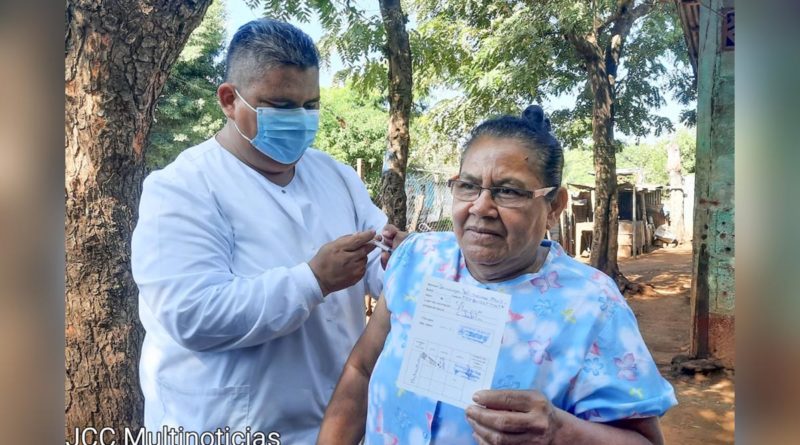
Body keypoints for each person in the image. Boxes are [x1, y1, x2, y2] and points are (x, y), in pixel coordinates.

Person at [318, 105, 677, 445]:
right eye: (468, 186)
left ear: (554, 206)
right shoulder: (418, 260)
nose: (481, 207)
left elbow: (644, 439)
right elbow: (361, 370)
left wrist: (560, 432)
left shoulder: (593, 305)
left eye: (508, 191)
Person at [131, 19, 399, 444]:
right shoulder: (183, 188)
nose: (301, 120)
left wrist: (396, 260)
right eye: (281, 106)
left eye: (311, 105)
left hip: (332, 425)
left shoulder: (336, 176)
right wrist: (312, 280)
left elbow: (378, 263)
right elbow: (191, 313)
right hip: (226, 426)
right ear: (228, 100)